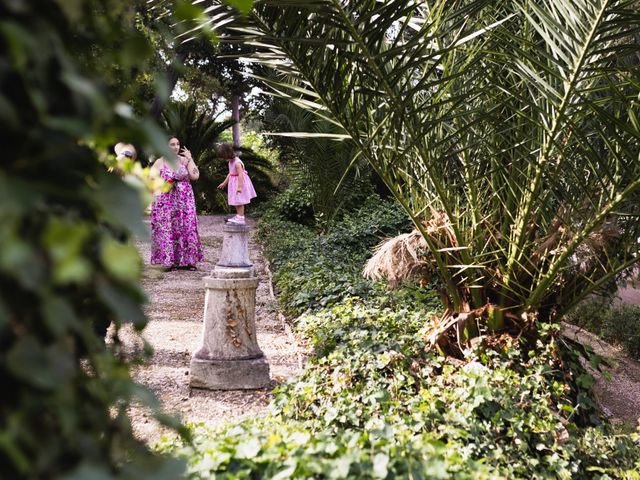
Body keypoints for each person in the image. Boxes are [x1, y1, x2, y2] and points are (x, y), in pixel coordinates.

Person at [150, 136, 203, 271]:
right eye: (172, 144)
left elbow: (195, 175)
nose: (176, 147)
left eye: (178, 144)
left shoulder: (184, 160)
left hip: (184, 200)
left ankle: (189, 261)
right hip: (166, 200)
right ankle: (170, 261)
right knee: (169, 228)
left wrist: (190, 159)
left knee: (187, 226)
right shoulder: (159, 162)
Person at [217, 143, 257, 225]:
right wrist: (224, 183)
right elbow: (230, 173)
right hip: (233, 183)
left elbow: (240, 175)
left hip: (239, 183)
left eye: (224, 157)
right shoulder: (230, 162)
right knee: (236, 201)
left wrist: (239, 187)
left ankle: (241, 218)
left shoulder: (237, 162)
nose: (224, 159)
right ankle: (239, 215)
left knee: (240, 201)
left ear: (228, 153)